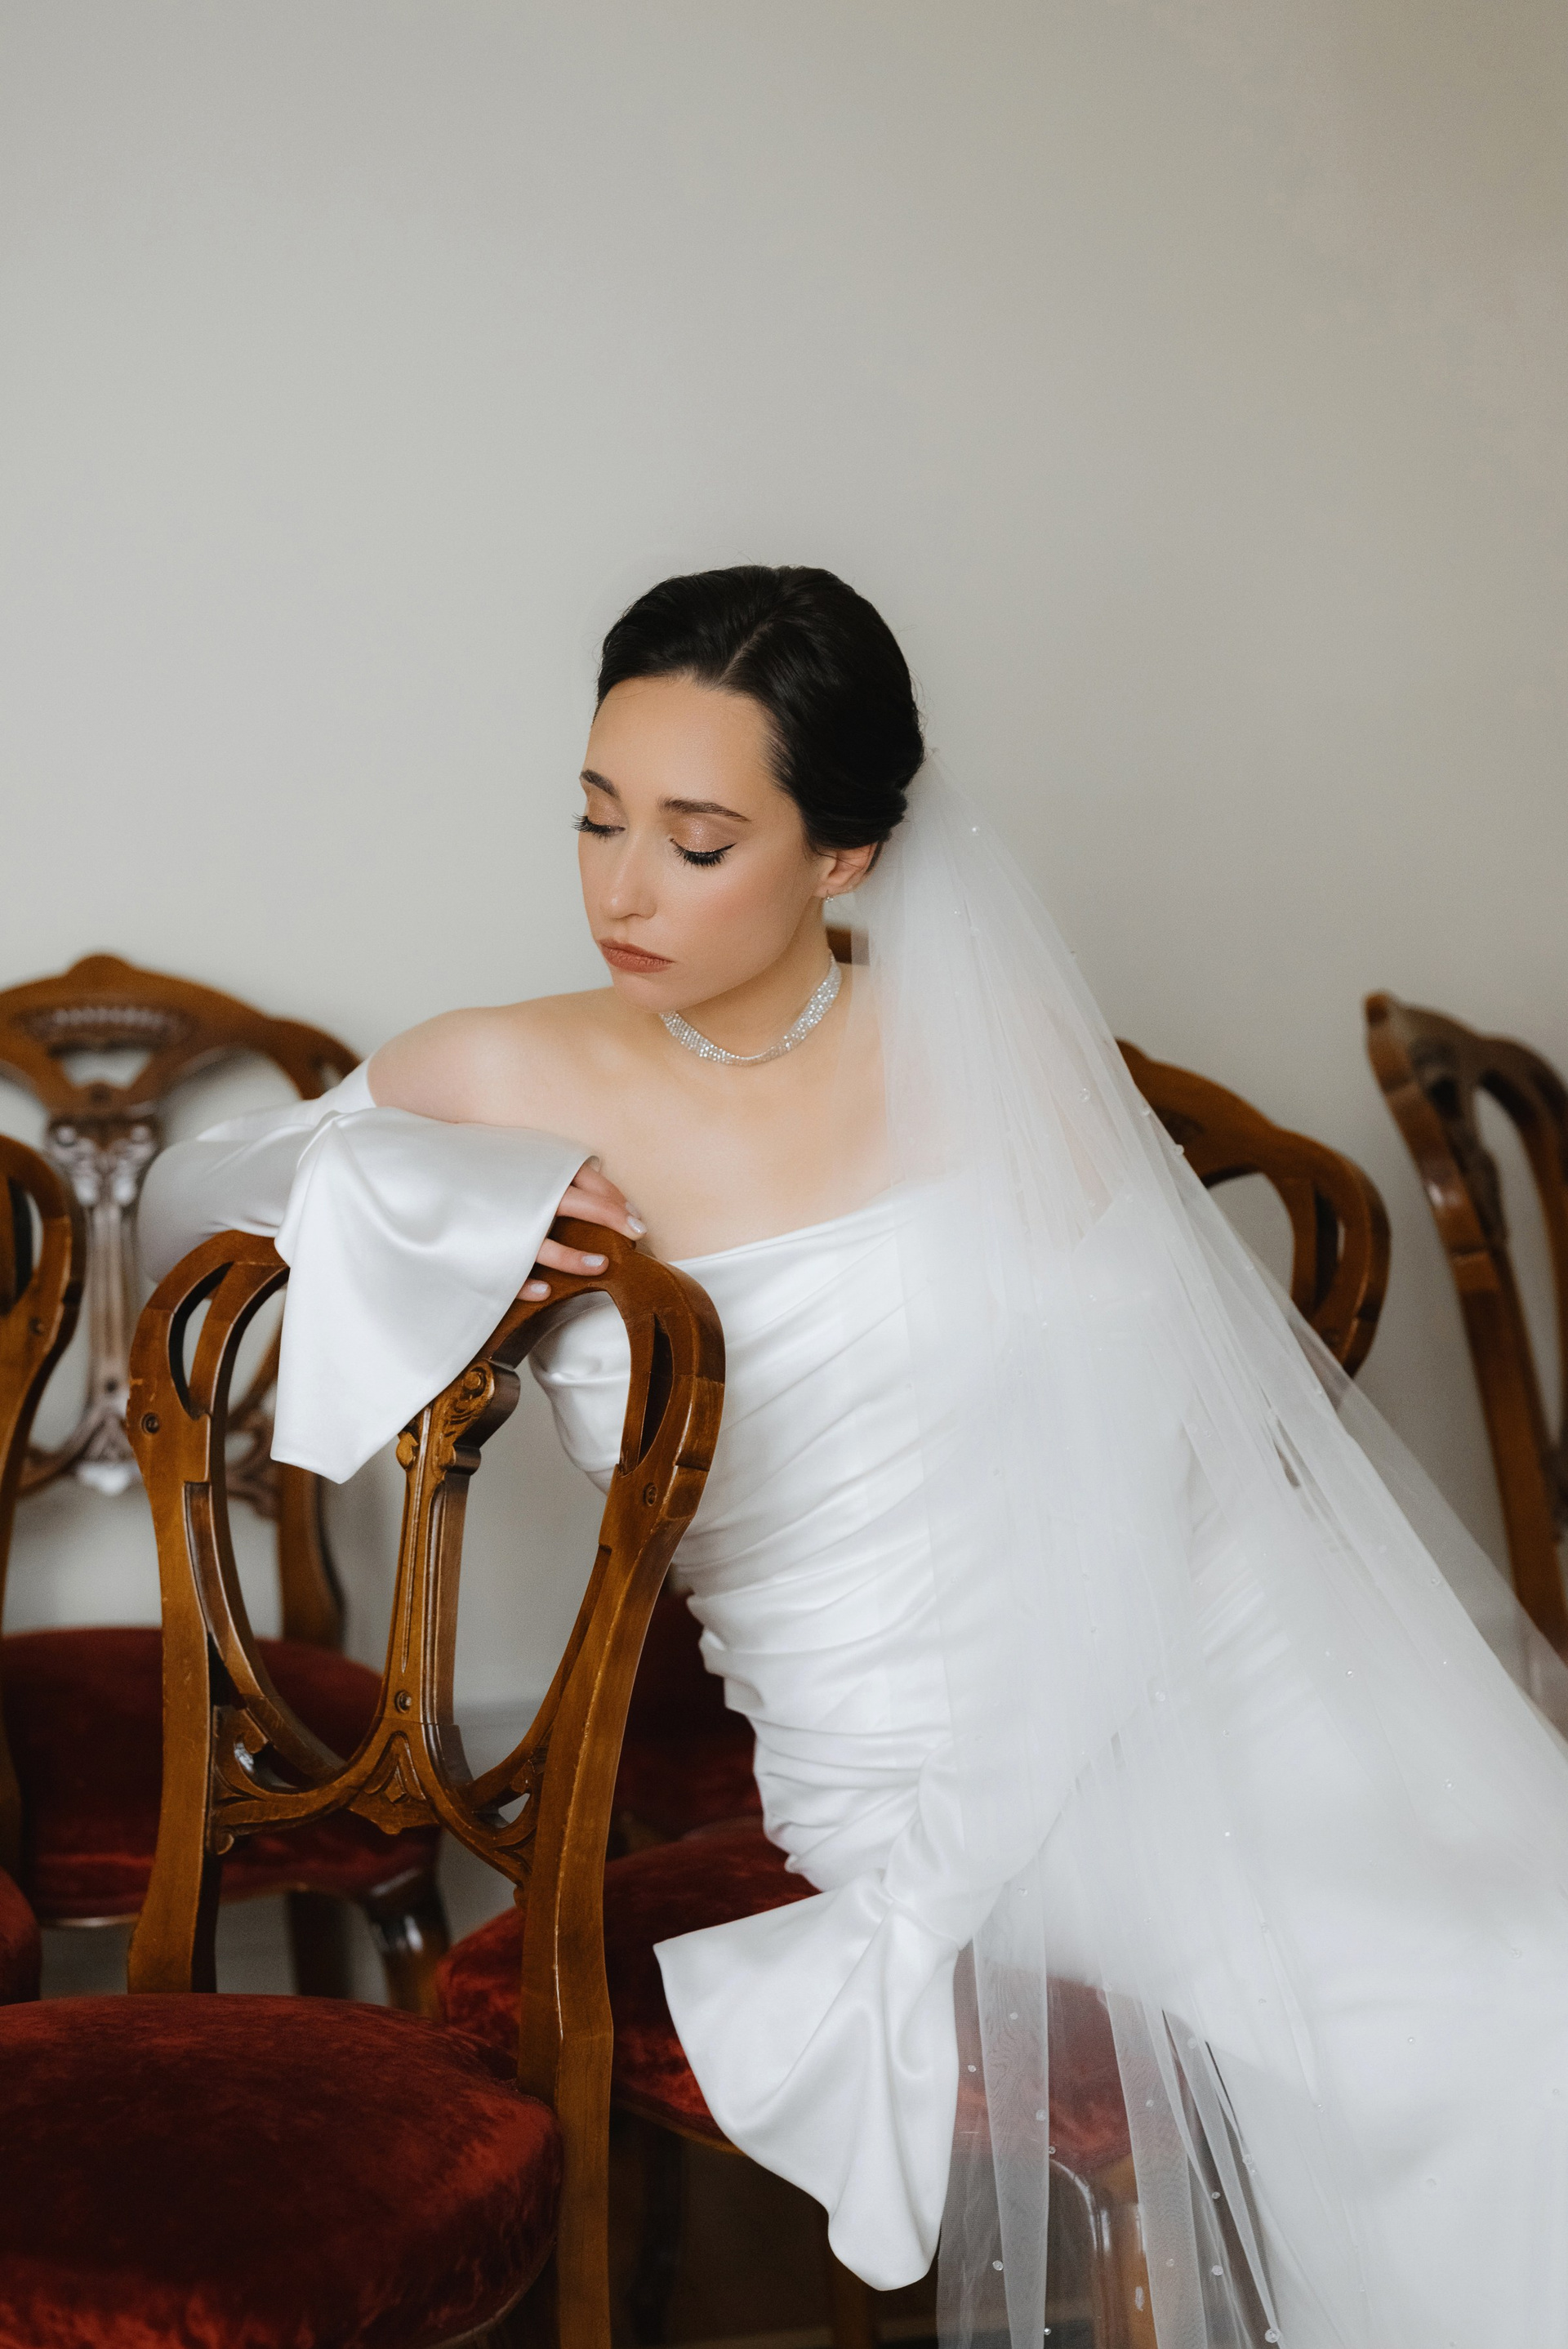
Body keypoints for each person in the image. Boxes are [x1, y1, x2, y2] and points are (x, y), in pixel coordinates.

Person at [141, 566, 1568, 2349]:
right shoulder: (504, 1069)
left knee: (1538, 1943)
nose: (621, 888)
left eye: (696, 840)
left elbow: (1177, 1411)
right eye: (594, 817)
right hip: (925, 1752)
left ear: (848, 856)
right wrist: (426, 1193)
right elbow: (188, 1213)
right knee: (1458, 2003)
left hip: (1197, 1640)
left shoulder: (989, 1039)